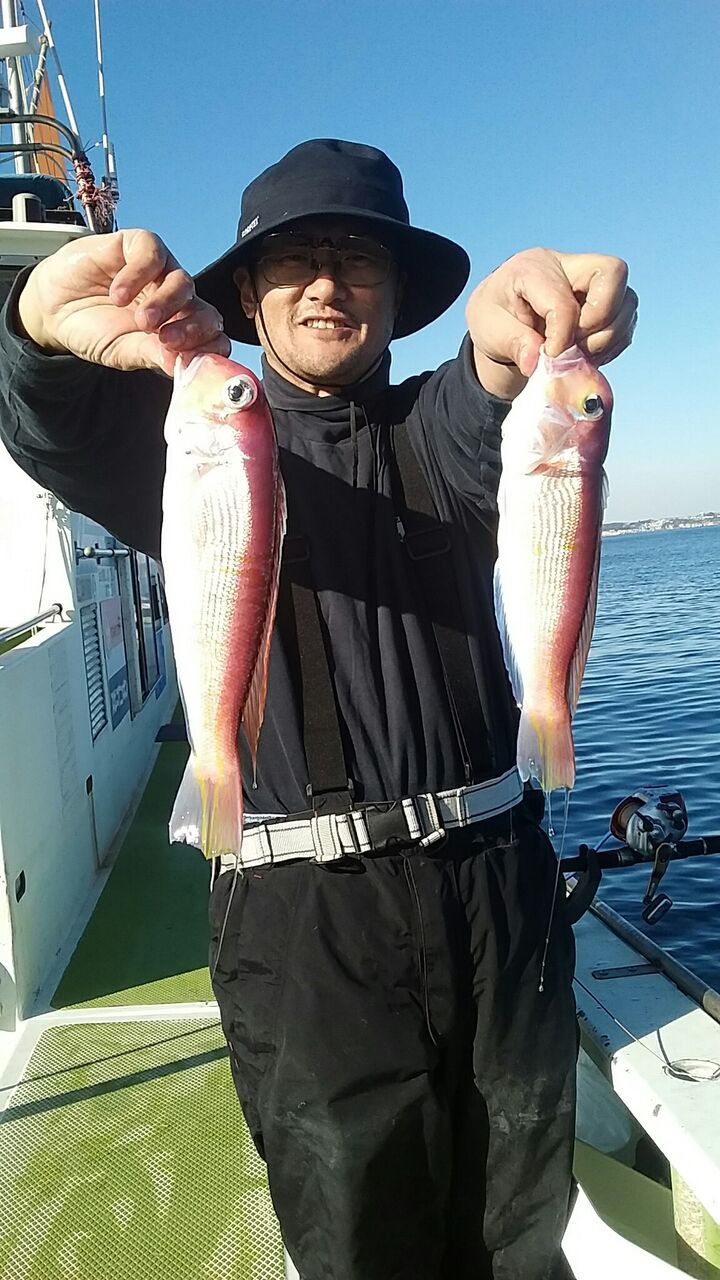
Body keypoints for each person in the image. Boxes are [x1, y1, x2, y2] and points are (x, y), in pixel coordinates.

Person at [0, 139, 637, 1280]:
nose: (328, 284)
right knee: (357, 1246)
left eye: (360, 259)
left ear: (399, 296)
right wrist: (33, 328)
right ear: (248, 296)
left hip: (498, 890)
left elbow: (488, 405)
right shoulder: (196, 441)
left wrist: (516, 346)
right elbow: (55, 424)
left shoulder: (441, 433)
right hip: (304, 922)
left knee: (522, 1236)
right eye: (295, 261)